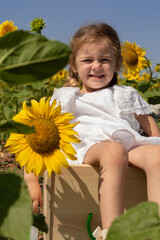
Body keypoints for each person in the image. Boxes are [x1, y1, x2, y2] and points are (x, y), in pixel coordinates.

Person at [24, 22, 160, 240]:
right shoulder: (67, 97)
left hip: (129, 146)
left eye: (104, 60)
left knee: (156, 154)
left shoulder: (126, 94)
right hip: (89, 147)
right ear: (74, 65)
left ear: (117, 64)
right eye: (88, 60)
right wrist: (31, 180)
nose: (96, 66)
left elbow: (153, 134)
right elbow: (38, 138)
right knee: (114, 151)